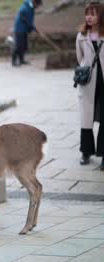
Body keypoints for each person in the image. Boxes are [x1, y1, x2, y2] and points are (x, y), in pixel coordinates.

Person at [76, 2, 104, 169]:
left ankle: (103, 154)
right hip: (88, 84)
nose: (89, 17)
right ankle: (86, 152)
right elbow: (79, 59)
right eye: (87, 14)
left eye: (93, 14)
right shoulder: (81, 36)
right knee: (86, 119)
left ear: (100, 16)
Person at [12, 0, 42, 67]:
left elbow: (29, 21)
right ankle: (13, 61)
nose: (38, 7)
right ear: (34, 2)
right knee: (19, 46)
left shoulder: (31, 7)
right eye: (38, 5)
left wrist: (33, 29)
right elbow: (28, 21)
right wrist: (34, 29)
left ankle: (21, 60)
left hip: (24, 29)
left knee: (24, 46)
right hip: (19, 29)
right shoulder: (25, 8)